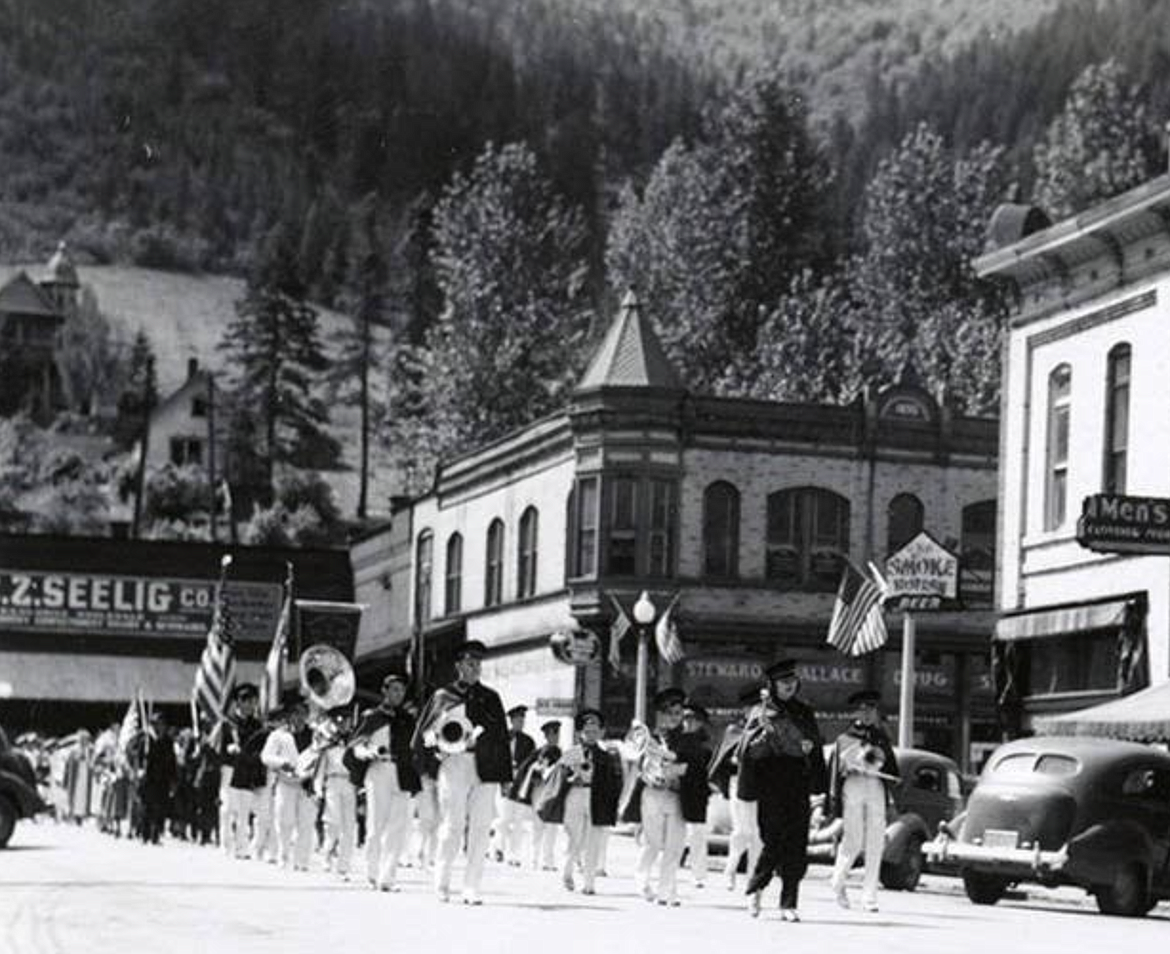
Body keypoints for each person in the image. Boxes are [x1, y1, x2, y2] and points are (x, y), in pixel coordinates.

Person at [412, 640, 511, 905]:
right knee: (452, 825)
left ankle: (471, 887)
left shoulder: (491, 698)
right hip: (453, 764)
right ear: (458, 666)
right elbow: (424, 734)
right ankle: (442, 882)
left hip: (485, 766)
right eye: (469, 663)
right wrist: (430, 760)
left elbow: (502, 737)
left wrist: (504, 777)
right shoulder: (443, 696)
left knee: (480, 827)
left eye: (478, 664)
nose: (475, 668)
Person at [738, 658, 828, 922]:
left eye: (792, 682)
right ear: (772, 685)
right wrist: (761, 741)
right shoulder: (761, 712)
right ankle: (757, 887)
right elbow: (746, 752)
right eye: (783, 682)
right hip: (770, 784)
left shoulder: (804, 712)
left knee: (796, 845)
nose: (789, 686)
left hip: (798, 782)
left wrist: (818, 786)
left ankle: (789, 902)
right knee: (773, 840)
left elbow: (816, 747)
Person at [827, 689, 900, 913]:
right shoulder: (844, 738)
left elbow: (891, 768)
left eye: (871, 709)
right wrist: (848, 766)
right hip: (854, 785)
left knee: (876, 840)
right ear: (855, 712)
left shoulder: (881, 737)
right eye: (863, 709)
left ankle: (870, 896)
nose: (867, 713)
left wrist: (882, 762)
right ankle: (838, 881)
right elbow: (835, 772)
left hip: (875, 784)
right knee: (853, 838)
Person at [351, 672, 421, 891]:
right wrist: (368, 752)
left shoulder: (408, 719)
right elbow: (356, 745)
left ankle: (387, 877)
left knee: (397, 827)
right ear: (385, 692)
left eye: (401, 690)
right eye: (394, 690)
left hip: (401, 772)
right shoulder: (372, 717)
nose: (398, 694)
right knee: (375, 824)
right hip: (378, 770)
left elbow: (414, 748)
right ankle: (372, 872)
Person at [631, 687, 690, 906]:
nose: (673, 718)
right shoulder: (649, 738)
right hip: (653, 794)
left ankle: (667, 892)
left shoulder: (687, 739)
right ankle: (642, 880)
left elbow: (692, 764)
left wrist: (678, 769)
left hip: (676, 795)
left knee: (675, 846)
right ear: (660, 714)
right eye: (668, 713)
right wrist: (648, 773)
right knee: (653, 843)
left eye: (677, 713)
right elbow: (636, 764)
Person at [559, 708, 623, 895]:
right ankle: (567, 872)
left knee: (593, 840)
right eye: (587, 731)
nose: (591, 735)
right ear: (580, 733)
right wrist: (571, 778)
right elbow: (559, 777)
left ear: (602, 733)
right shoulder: (571, 752)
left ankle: (589, 883)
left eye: (595, 731)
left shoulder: (606, 756)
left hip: (596, 797)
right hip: (576, 795)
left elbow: (613, 782)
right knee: (574, 837)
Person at [708, 685, 765, 892]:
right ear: (745, 710)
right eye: (753, 708)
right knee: (742, 831)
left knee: (758, 834)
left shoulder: (768, 731)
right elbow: (721, 761)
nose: (758, 712)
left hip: (762, 786)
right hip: (738, 784)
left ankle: (753, 878)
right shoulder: (734, 731)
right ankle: (730, 868)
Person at [261, 699, 318, 871]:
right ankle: (283, 856)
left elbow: (321, 757)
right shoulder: (278, 735)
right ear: (289, 716)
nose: (299, 718)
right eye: (295, 713)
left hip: (307, 783)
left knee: (307, 822)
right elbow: (266, 756)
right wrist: (281, 762)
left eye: (303, 714)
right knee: (284, 820)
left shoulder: (315, 735)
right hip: (286, 782)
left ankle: (302, 861)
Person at [219, 683, 270, 860]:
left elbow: (261, 748)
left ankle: (242, 847)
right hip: (231, 769)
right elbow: (218, 749)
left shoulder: (257, 726)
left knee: (244, 810)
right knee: (227, 809)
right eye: (245, 700)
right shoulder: (228, 723)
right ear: (237, 702)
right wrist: (228, 749)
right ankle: (226, 844)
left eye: (252, 701)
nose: (249, 704)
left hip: (248, 770)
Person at [315, 709, 358, 879]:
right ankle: (327, 855)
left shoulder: (353, 742)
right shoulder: (327, 744)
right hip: (333, 781)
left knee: (349, 826)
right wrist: (318, 788)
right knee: (333, 823)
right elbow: (320, 768)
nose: (342, 725)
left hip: (349, 783)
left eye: (345, 721)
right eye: (339, 721)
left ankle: (343, 865)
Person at [514, 720, 562, 871]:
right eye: (553, 734)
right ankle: (535, 858)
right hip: (541, 790)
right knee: (539, 825)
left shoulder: (559, 751)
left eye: (557, 733)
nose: (556, 737)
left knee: (551, 827)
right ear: (547, 736)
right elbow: (532, 772)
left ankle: (547, 860)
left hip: (552, 791)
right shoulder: (541, 752)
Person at [492, 704, 536, 865]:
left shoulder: (528, 741)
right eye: (517, 719)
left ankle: (513, 855)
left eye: (522, 719)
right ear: (511, 721)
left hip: (521, 784)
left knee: (518, 820)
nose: (520, 722)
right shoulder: (502, 738)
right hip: (504, 782)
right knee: (503, 818)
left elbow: (532, 762)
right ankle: (498, 848)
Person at [679, 704, 714, 888]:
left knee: (697, 833)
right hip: (677, 790)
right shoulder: (675, 739)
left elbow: (710, 770)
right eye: (686, 719)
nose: (688, 723)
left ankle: (698, 874)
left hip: (697, 792)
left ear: (700, 723)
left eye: (693, 720)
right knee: (676, 832)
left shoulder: (705, 745)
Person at [139, 713, 177, 844]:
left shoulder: (167, 741)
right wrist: (140, 766)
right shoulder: (146, 740)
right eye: (157, 723)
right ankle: (145, 834)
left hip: (163, 780)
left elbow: (172, 761)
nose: (160, 726)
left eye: (162, 724)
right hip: (149, 779)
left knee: (160, 808)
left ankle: (156, 835)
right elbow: (138, 756)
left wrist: (173, 779)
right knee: (147, 807)